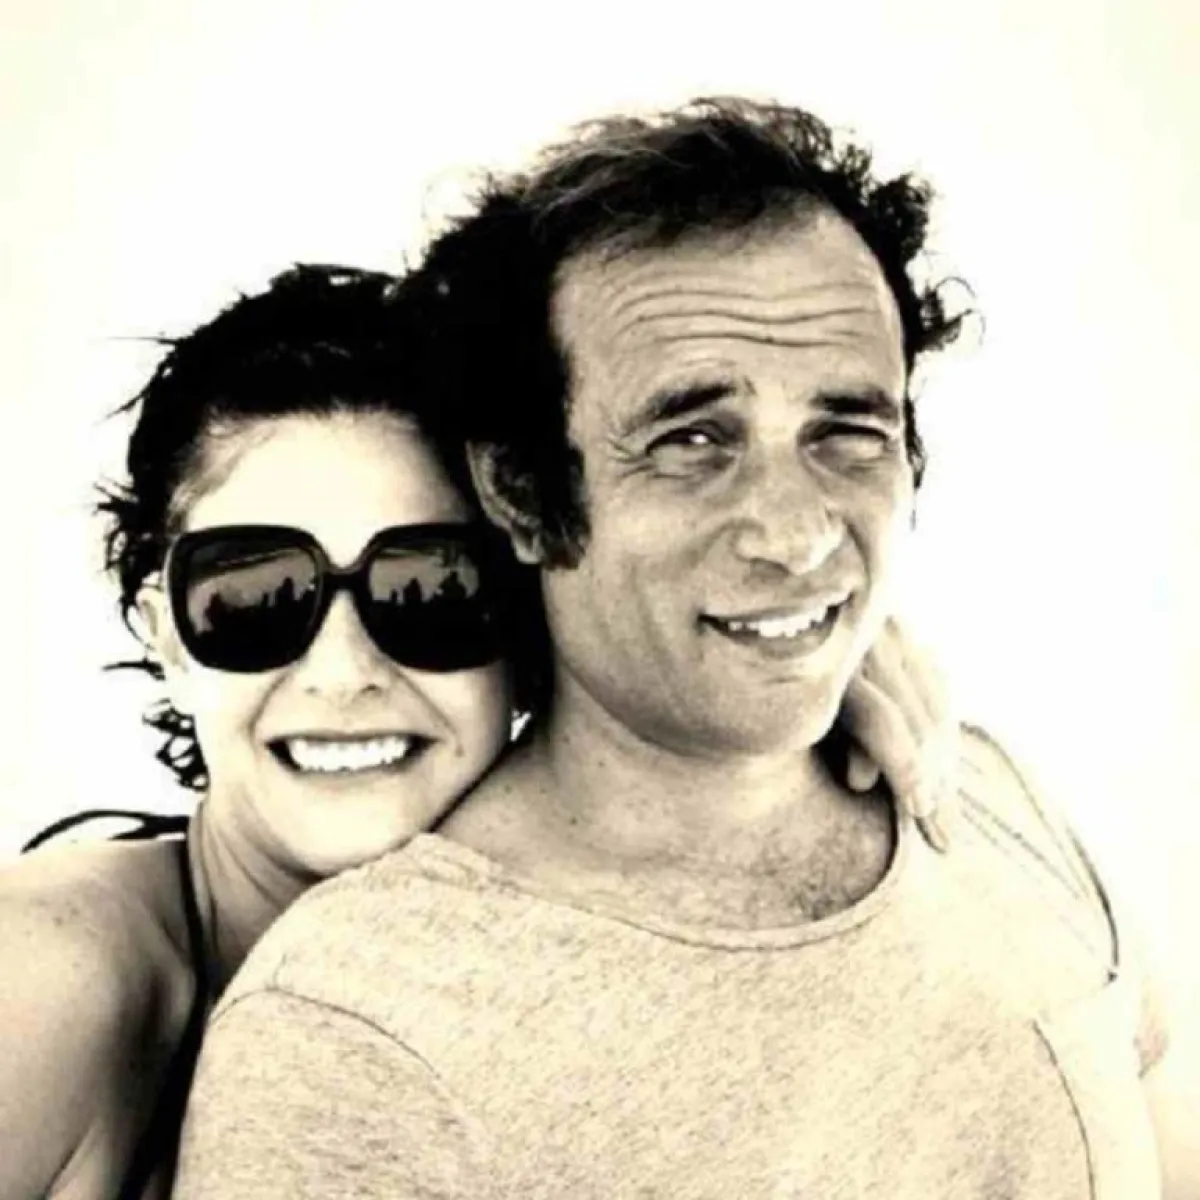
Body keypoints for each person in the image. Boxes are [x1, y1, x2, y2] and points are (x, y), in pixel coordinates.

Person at [172, 99, 1185, 1199]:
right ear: (522, 491)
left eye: (847, 432)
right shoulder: (354, 1037)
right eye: (692, 441)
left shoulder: (988, 794)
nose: (797, 535)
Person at [0, 261, 946, 1200]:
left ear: (535, 615)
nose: (342, 673)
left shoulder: (540, 988)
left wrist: (781, 674)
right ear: (167, 635)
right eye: (254, 595)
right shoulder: (45, 975)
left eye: (431, 588)